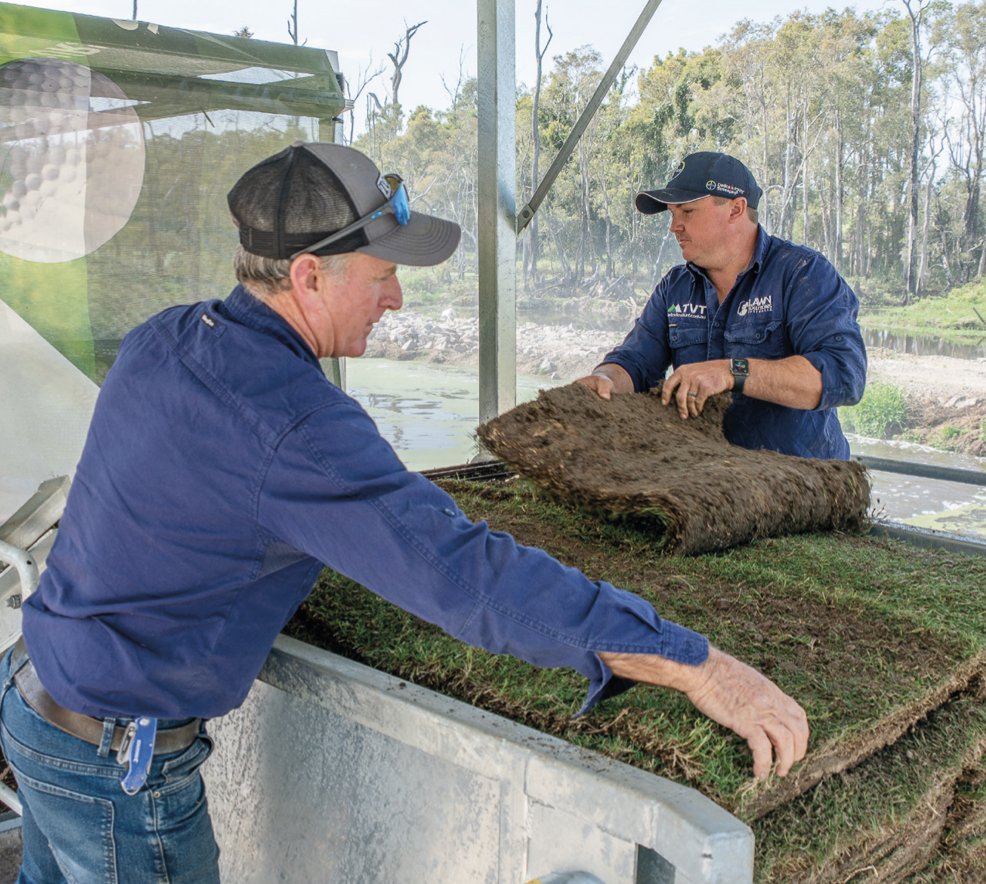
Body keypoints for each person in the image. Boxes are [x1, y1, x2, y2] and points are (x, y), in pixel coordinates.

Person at [0, 142, 808, 884]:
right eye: (381, 269)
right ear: (310, 276)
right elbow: (465, 576)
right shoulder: (296, 423)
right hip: (118, 761)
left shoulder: (167, 336)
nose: (397, 294)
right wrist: (688, 660)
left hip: (37, 697)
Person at [576, 151, 867, 460]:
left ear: (735, 209)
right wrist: (605, 379)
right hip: (710, 484)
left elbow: (844, 374)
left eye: (687, 212)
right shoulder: (674, 288)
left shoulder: (802, 273)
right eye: (672, 214)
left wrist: (733, 371)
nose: (674, 226)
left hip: (798, 484)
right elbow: (634, 363)